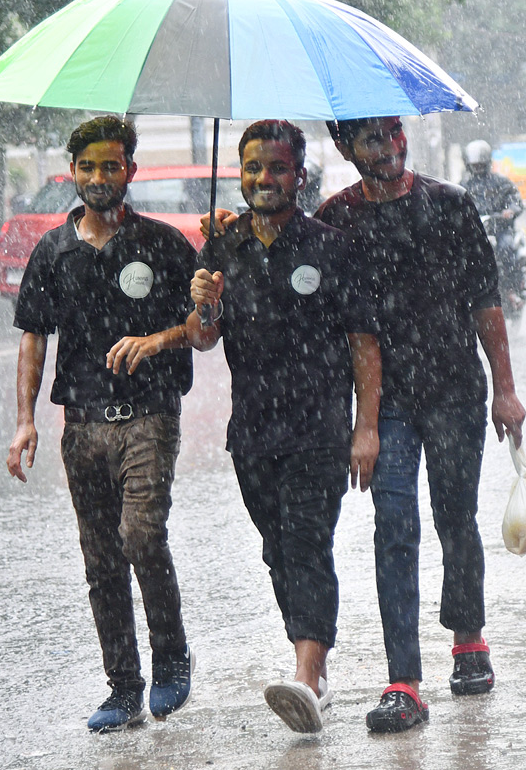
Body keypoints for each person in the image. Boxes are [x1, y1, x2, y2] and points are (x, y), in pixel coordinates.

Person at [320, 116, 526, 733]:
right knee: (394, 526)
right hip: (387, 406)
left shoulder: (451, 205)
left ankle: (469, 641)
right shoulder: (336, 220)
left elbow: (486, 299)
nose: (385, 148)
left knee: (454, 516)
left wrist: (507, 390)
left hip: (457, 391)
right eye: (370, 140)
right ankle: (403, 681)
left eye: (391, 135)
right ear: (345, 149)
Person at [187, 120, 382, 735]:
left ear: (299, 175)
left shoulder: (329, 245)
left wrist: (365, 428)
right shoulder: (222, 247)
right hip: (252, 433)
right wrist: (203, 301)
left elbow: (363, 342)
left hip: (319, 429)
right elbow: (201, 338)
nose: (262, 179)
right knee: (278, 552)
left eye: (276, 168)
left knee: (305, 544)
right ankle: (311, 660)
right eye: (252, 168)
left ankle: (308, 675)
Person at [7, 115, 195, 733]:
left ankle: (171, 657)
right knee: (102, 558)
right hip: (81, 426)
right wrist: (24, 423)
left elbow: (203, 330)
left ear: (130, 172)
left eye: (110, 166)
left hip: (149, 418)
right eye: (87, 167)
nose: (97, 178)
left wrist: (159, 337)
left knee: (141, 535)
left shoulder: (164, 245)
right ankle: (123, 686)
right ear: (72, 173)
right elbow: (33, 337)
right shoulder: (53, 252)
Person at [463, 138, 526, 307]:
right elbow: (452, 205)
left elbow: (515, 200)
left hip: (501, 230)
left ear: (488, 163)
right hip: (476, 234)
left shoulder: (501, 182)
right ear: (468, 165)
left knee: (506, 249)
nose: (478, 168)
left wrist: (510, 211)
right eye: (474, 165)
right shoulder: (462, 186)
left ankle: (512, 289)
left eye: (480, 164)